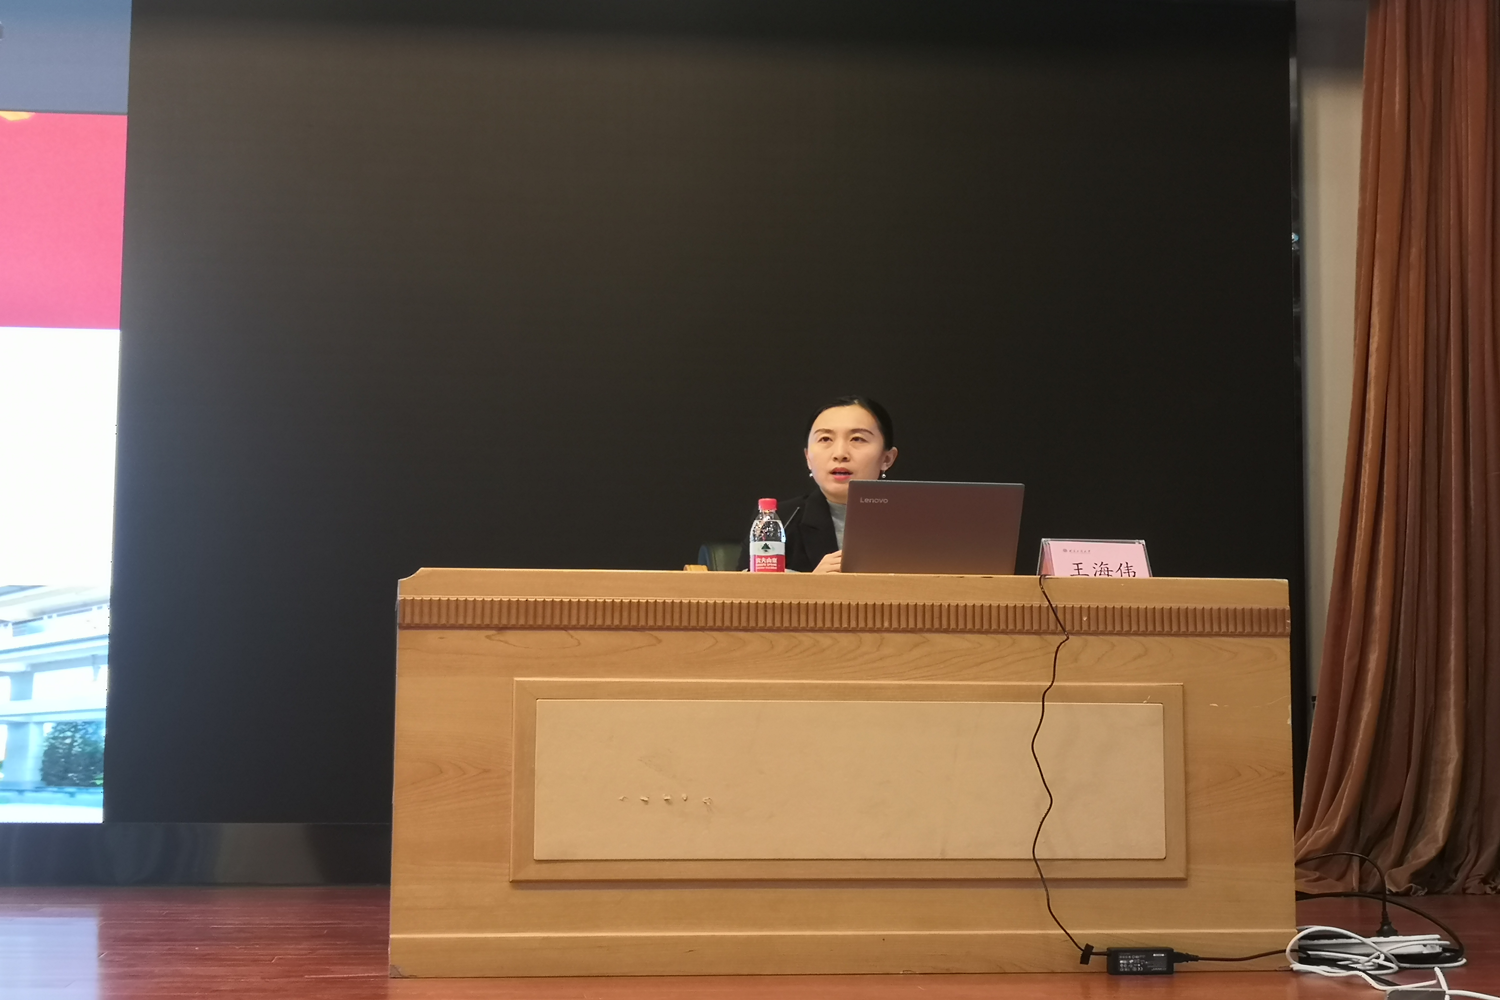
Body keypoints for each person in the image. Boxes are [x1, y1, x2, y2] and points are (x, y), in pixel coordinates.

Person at [739, 395, 898, 573]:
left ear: (887, 458)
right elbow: (741, 587)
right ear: (808, 457)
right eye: (825, 439)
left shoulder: (914, 522)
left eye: (857, 439)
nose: (840, 454)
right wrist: (812, 585)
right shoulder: (779, 520)